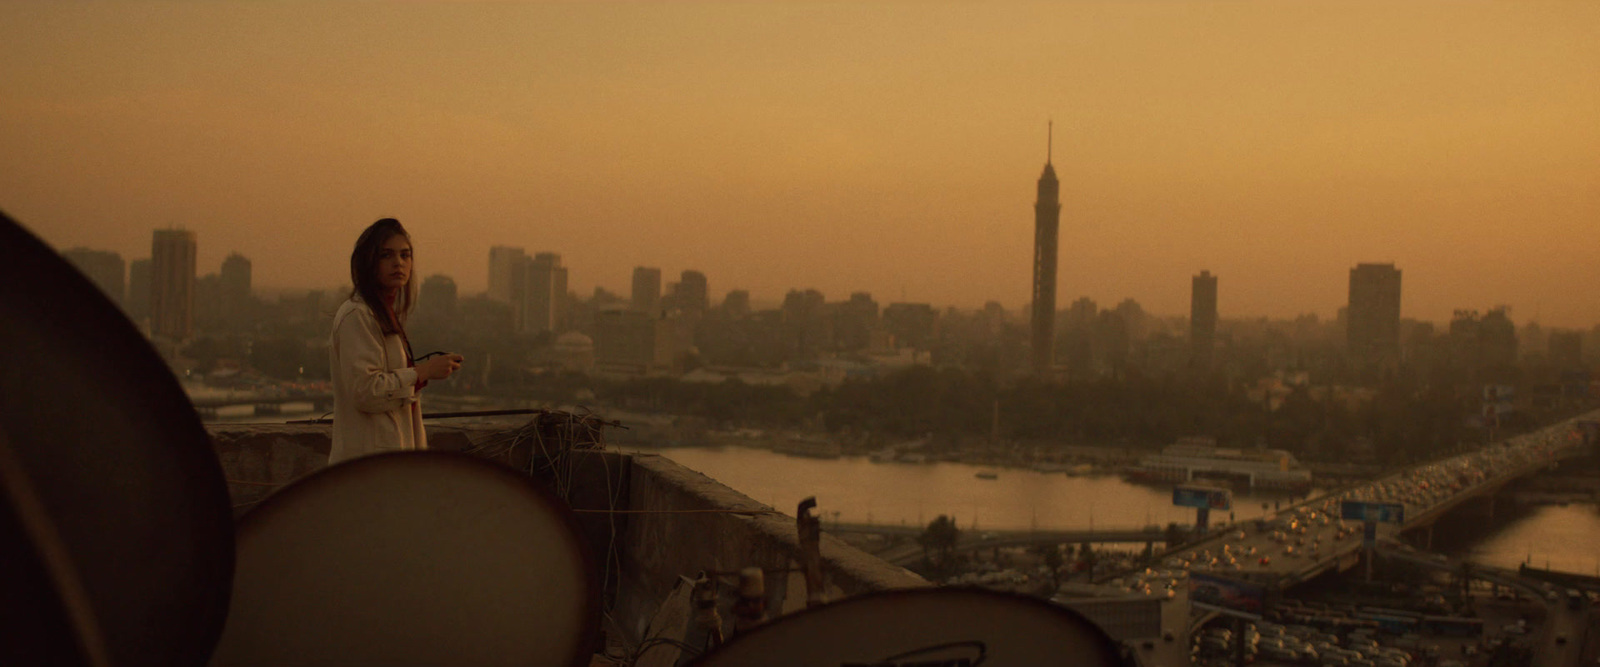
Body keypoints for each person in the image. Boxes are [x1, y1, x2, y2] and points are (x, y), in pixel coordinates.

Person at [328, 218, 462, 464]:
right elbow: (365, 391)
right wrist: (422, 372)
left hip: (392, 462)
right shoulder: (357, 315)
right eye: (386, 255)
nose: (398, 263)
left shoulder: (384, 314)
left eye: (405, 255)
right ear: (369, 262)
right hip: (367, 463)